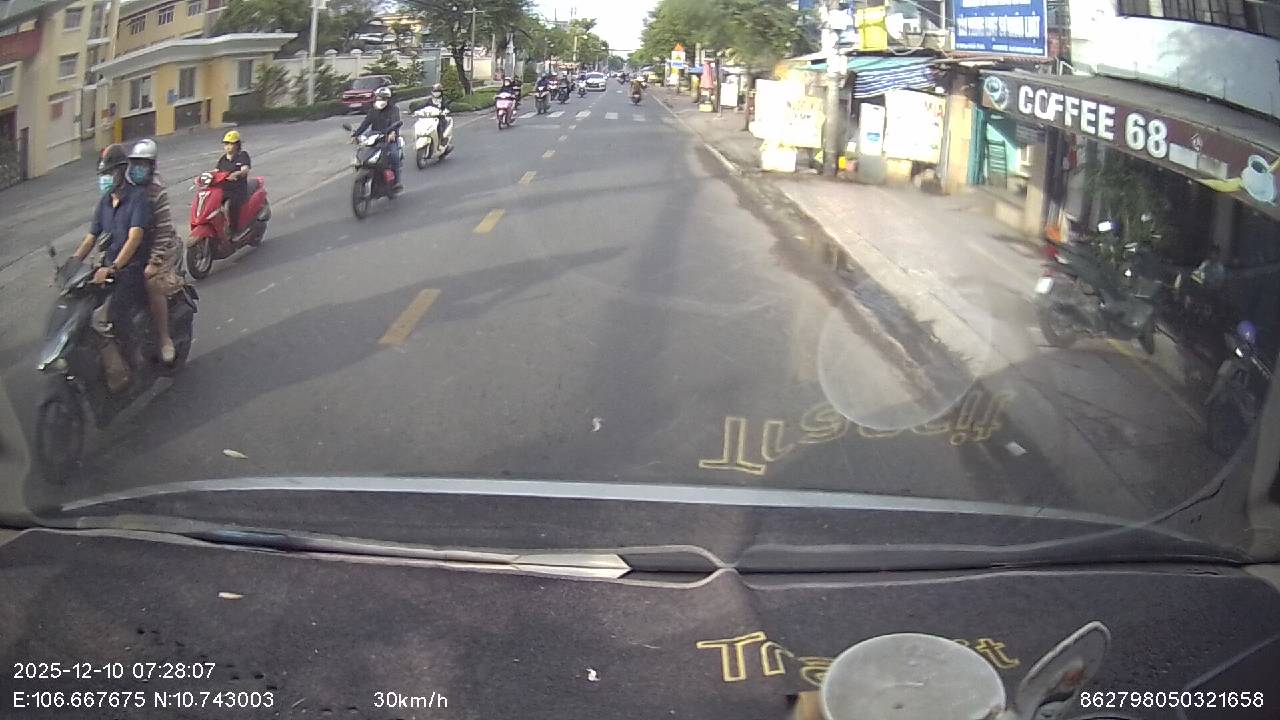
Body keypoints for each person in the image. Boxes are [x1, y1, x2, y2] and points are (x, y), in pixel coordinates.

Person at [69, 144, 152, 377]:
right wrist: (72, 264)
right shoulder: (104, 202)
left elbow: (134, 238)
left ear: (121, 171)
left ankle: (136, 358)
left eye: (109, 172)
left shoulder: (138, 198)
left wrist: (114, 267)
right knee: (82, 309)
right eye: (102, 174)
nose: (105, 178)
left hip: (131, 268)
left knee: (114, 313)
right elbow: (90, 238)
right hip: (106, 269)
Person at [126, 138, 182, 364]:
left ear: (152, 165)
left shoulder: (157, 189)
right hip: (136, 246)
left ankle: (164, 339)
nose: (138, 168)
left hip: (162, 247)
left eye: (143, 163)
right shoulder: (127, 187)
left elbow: (164, 229)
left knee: (152, 283)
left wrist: (154, 261)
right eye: (135, 163)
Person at [351, 85, 402, 190]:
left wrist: (392, 133)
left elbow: (396, 122)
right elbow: (365, 124)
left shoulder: (394, 110)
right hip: (374, 136)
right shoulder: (373, 111)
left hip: (389, 137)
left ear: (388, 99)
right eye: (378, 97)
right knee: (363, 153)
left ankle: (397, 181)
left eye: (383, 98)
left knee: (394, 155)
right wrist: (355, 135)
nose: (380, 100)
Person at [216, 130, 252, 234]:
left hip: (237, 190)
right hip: (224, 189)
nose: (227, 146)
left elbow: (245, 169)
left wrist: (236, 174)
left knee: (229, 205)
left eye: (230, 144)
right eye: (226, 144)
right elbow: (216, 171)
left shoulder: (242, 155)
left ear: (237, 145)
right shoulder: (223, 159)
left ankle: (234, 230)